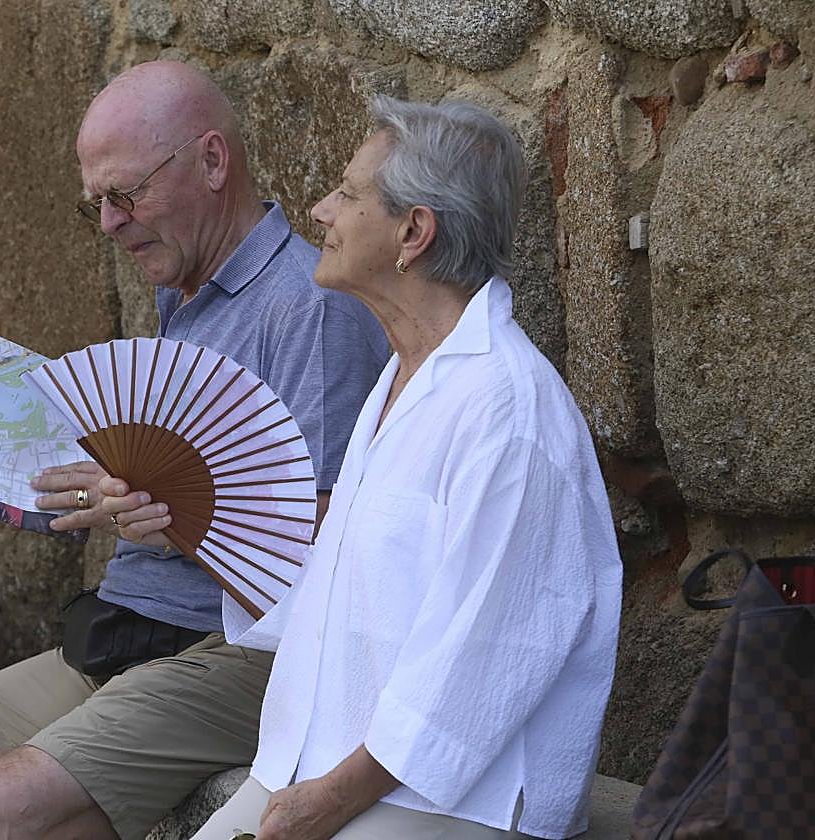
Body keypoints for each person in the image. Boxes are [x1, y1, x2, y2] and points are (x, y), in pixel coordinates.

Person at [0, 61, 390, 840]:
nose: (109, 224)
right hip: (132, 623)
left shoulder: (308, 307)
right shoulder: (182, 288)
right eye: (96, 203)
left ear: (213, 162)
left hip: (239, 648)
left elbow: (322, 537)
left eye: (125, 195)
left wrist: (176, 516)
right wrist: (103, 491)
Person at [110, 97, 624, 839]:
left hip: (457, 797)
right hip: (323, 759)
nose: (319, 209)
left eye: (348, 195)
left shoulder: (508, 412)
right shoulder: (404, 375)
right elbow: (336, 587)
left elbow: (484, 656)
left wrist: (331, 799)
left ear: (413, 233)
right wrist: (182, 519)